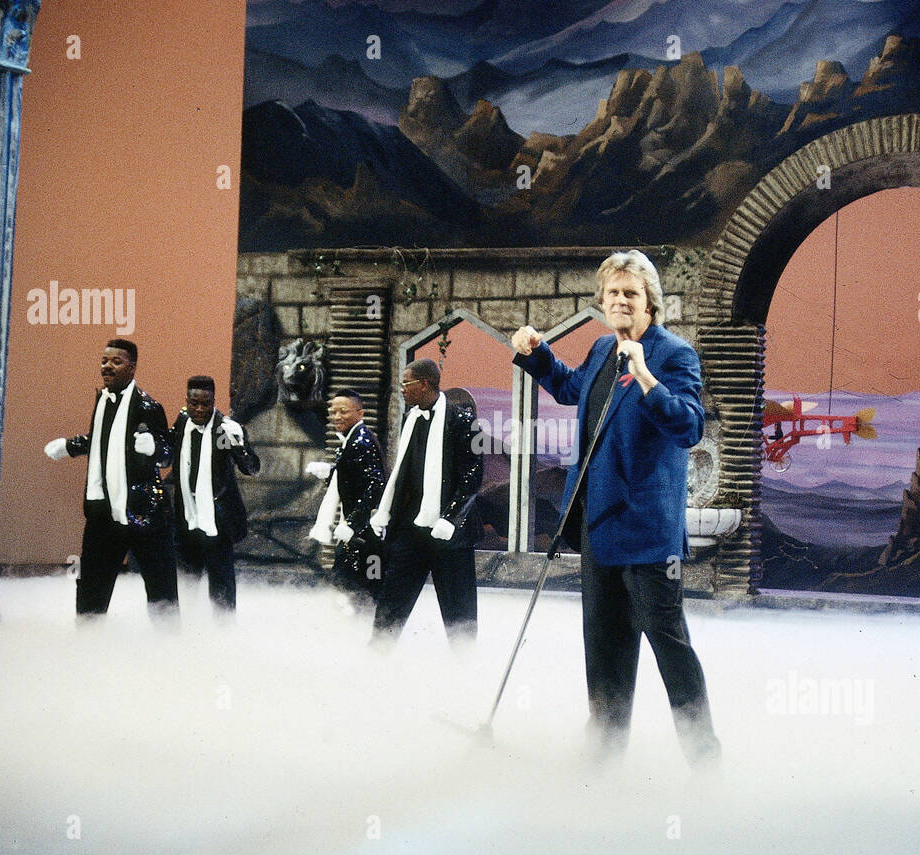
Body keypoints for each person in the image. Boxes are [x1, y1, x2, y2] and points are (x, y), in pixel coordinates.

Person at [511, 249, 721, 766]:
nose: (622, 300)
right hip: (598, 529)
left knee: (670, 648)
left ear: (651, 303)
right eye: (614, 293)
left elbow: (689, 426)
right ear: (602, 303)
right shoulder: (603, 349)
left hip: (649, 536)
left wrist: (647, 377)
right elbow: (570, 388)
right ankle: (603, 757)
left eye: (632, 293)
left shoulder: (674, 354)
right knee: (604, 649)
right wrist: (537, 353)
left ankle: (704, 759)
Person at [44, 339, 178, 618]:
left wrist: (154, 448)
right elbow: (103, 443)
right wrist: (70, 446)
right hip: (103, 511)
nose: (107, 366)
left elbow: (168, 454)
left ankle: (169, 650)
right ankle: (88, 644)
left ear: (132, 367)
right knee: (92, 585)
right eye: (105, 360)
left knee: (161, 589)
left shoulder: (149, 407)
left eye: (116, 361)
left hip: (144, 512)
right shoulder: (102, 399)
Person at [368, 358, 483, 650]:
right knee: (393, 598)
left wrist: (450, 517)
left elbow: (472, 474)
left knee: (459, 610)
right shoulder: (411, 418)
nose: (402, 390)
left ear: (424, 384)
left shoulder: (463, 420)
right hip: (412, 528)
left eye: (406, 384)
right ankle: (377, 655)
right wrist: (387, 512)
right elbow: (403, 471)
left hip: (449, 534)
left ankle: (465, 666)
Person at [169, 375, 260, 611]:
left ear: (213, 402)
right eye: (193, 403)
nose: (199, 409)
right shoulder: (182, 421)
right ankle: (185, 627)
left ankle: (223, 633)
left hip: (217, 520)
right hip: (187, 518)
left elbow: (252, 469)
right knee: (185, 581)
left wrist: (240, 444)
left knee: (221, 585)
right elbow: (167, 456)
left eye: (205, 404)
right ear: (186, 401)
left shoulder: (224, 429)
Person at [308, 390, 386, 605]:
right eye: (333, 412)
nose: (337, 416)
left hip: (362, 532)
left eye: (343, 411)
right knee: (352, 586)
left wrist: (352, 523)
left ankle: (357, 630)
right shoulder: (352, 440)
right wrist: (331, 472)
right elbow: (354, 477)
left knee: (354, 587)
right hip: (356, 529)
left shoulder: (362, 442)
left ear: (360, 413)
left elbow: (375, 484)